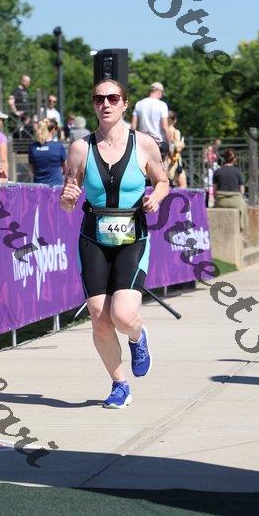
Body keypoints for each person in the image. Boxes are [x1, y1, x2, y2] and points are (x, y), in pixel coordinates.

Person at [60, 79, 169, 409]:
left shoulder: (144, 144)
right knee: (99, 316)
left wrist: (156, 197)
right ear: (93, 104)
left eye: (112, 98)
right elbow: (68, 197)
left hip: (132, 237)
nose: (105, 104)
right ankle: (120, 384)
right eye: (98, 99)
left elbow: (162, 180)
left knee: (122, 315)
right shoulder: (80, 149)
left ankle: (138, 335)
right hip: (93, 237)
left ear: (125, 103)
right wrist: (67, 198)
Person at [131, 82, 170, 156]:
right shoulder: (162, 105)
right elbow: (165, 127)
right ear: (159, 91)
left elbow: (133, 126)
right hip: (158, 143)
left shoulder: (139, 104)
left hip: (142, 142)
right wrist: (170, 144)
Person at [213, 148, 248, 231]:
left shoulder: (217, 172)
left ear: (224, 158)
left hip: (221, 202)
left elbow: (214, 191)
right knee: (244, 205)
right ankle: (242, 228)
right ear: (234, 159)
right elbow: (242, 190)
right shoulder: (238, 172)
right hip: (236, 202)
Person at [28, 118, 67, 186]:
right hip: (56, 185)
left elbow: (32, 170)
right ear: (53, 130)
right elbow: (66, 169)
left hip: (38, 186)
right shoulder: (58, 147)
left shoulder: (32, 147)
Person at [166, 110, 186, 188]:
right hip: (174, 161)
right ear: (175, 120)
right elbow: (177, 148)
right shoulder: (175, 131)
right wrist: (182, 145)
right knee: (182, 185)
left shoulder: (161, 131)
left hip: (165, 160)